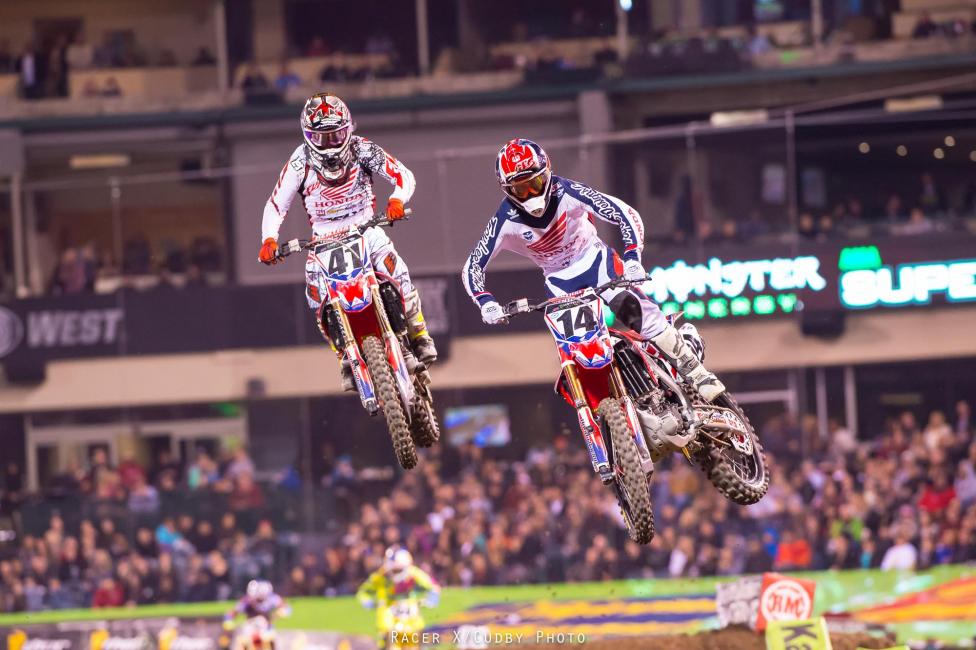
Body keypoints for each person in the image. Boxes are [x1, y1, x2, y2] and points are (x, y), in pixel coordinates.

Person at [461, 138, 725, 401]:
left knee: (638, 315)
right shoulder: (504, 220)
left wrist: (633, 257)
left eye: (535, 184)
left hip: (597, 262)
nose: (531, 194)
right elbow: (473, 265)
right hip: (559, 283)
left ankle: (697, 373)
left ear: (547, 173)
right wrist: (485, 302)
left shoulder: (568, 191)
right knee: (577, 351)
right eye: (521, 189)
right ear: (507, 190)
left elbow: (624, 212)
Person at [258, 93, 437, 390]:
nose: (330, 144)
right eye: (321, 137)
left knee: (396, 270)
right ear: (308, 136)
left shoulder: (362, 148)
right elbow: (276, 204)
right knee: (316, 295)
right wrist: (268, 239)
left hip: (365, 227)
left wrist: (397, 199)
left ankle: (418, 332)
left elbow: (403, 175)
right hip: (323, 239)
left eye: (336, 135)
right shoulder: (299, 162)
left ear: (349, 128)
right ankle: (344, 355)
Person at [357, 546, 440, 649]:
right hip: (388, 621)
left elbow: (433, 586)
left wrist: (432, 598)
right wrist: (368, 602)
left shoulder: (413, 573)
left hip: (411, 620)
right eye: (393, 569)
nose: (395, 573)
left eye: (398, 570)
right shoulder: (380, 576)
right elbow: (363, 591)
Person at [223, 579, 291, 637]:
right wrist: (228, 621)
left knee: (271, 638)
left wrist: (279, 613)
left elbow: (287, 608)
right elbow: (232, 613)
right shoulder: (247, 600)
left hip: (266, 628)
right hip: (251, 628)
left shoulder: (271, 598)